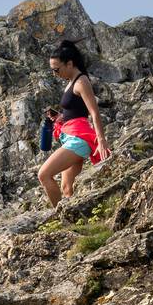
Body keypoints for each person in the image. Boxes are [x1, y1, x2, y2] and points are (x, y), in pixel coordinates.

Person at [37, 40, 111, 206]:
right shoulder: (71, 82)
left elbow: (94, 112)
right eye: (52, 70)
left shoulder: (81, 81)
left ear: (69, 64)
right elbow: (77, 111)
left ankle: (60, 217)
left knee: (44, 175)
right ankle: (74, 219)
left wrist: (101, 140)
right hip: (70, 135)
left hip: (79, 139)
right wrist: (61, 118)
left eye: (56, 70)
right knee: (67, 187)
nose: (55, 74)